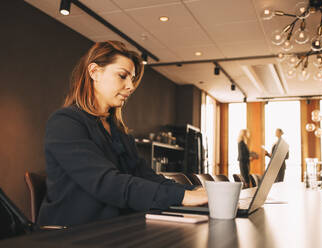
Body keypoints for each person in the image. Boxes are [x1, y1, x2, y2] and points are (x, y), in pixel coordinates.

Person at [37, 41, 208, 226]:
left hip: (114, 229)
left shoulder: (118, 131)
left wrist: (197, 190)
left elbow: (145, 176)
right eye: (122, 76)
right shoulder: (65, 122)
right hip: (73, 234)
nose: (131, 86)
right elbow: (108, 183)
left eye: (131, 78)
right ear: (94, 72)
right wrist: (183, 196)